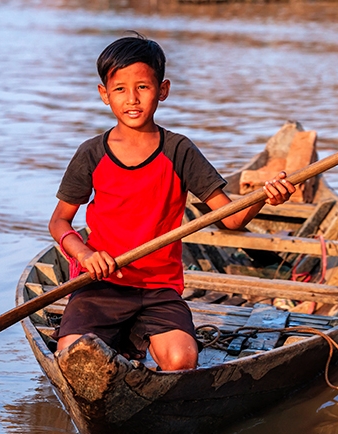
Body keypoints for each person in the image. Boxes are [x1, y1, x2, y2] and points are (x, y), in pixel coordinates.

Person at [48, 33, 295, 371]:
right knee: (73, 358)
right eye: (120, 89)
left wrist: (265, 197)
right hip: (101, 285)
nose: (132, 99)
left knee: (181, 360)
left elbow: (232, 219)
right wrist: (85, 254)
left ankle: (134, 342)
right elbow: (59, 221)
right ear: (104, 94)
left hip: (158, 289)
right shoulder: (91, 153)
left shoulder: (178, 150)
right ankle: (123, 341)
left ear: (162, 90)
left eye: (143, 87)